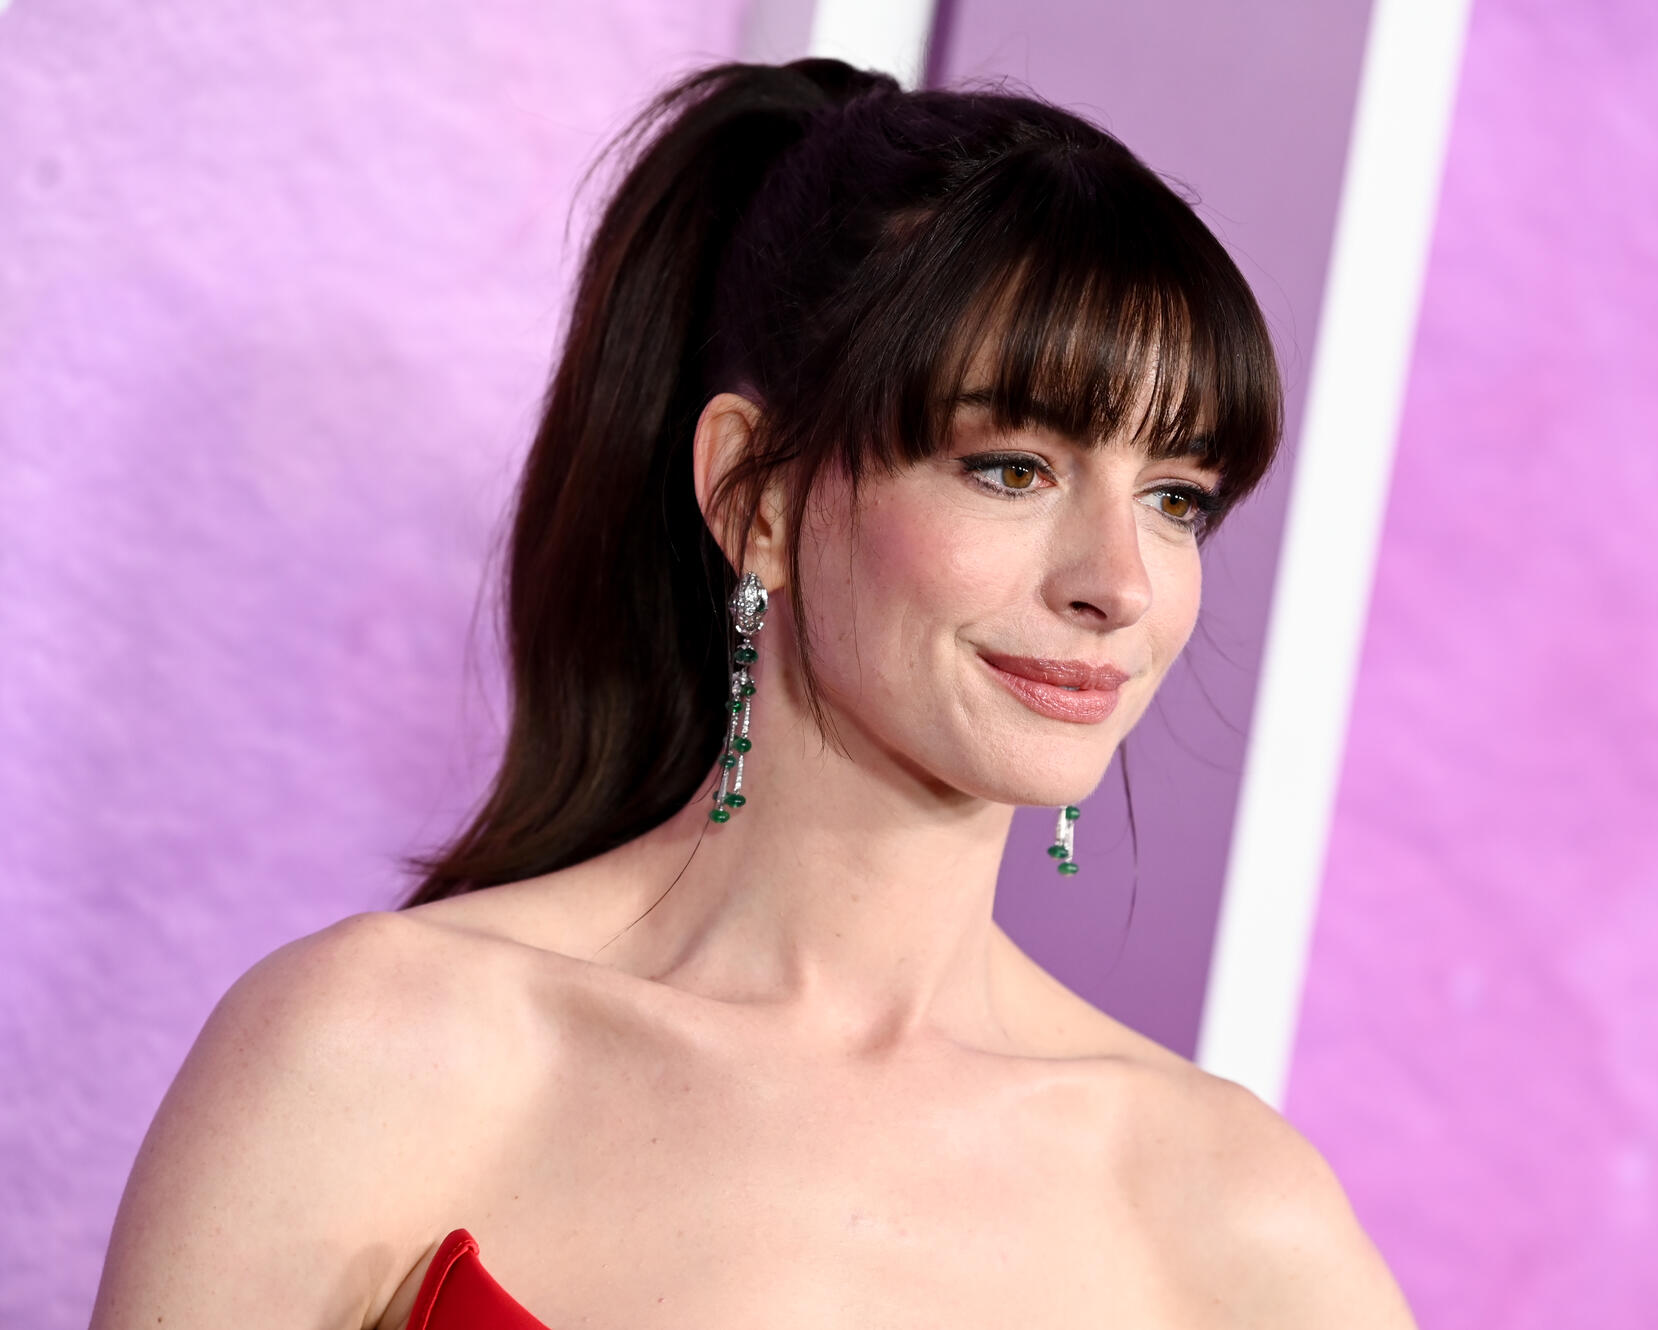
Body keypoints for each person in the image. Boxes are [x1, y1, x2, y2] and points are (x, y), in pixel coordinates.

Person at [88, 57, 1417, 1329]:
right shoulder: (374, 1055)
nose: (1118, 582)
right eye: (1011, 467)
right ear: (755, 494)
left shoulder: (1232, 1216)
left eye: (1176, 498)